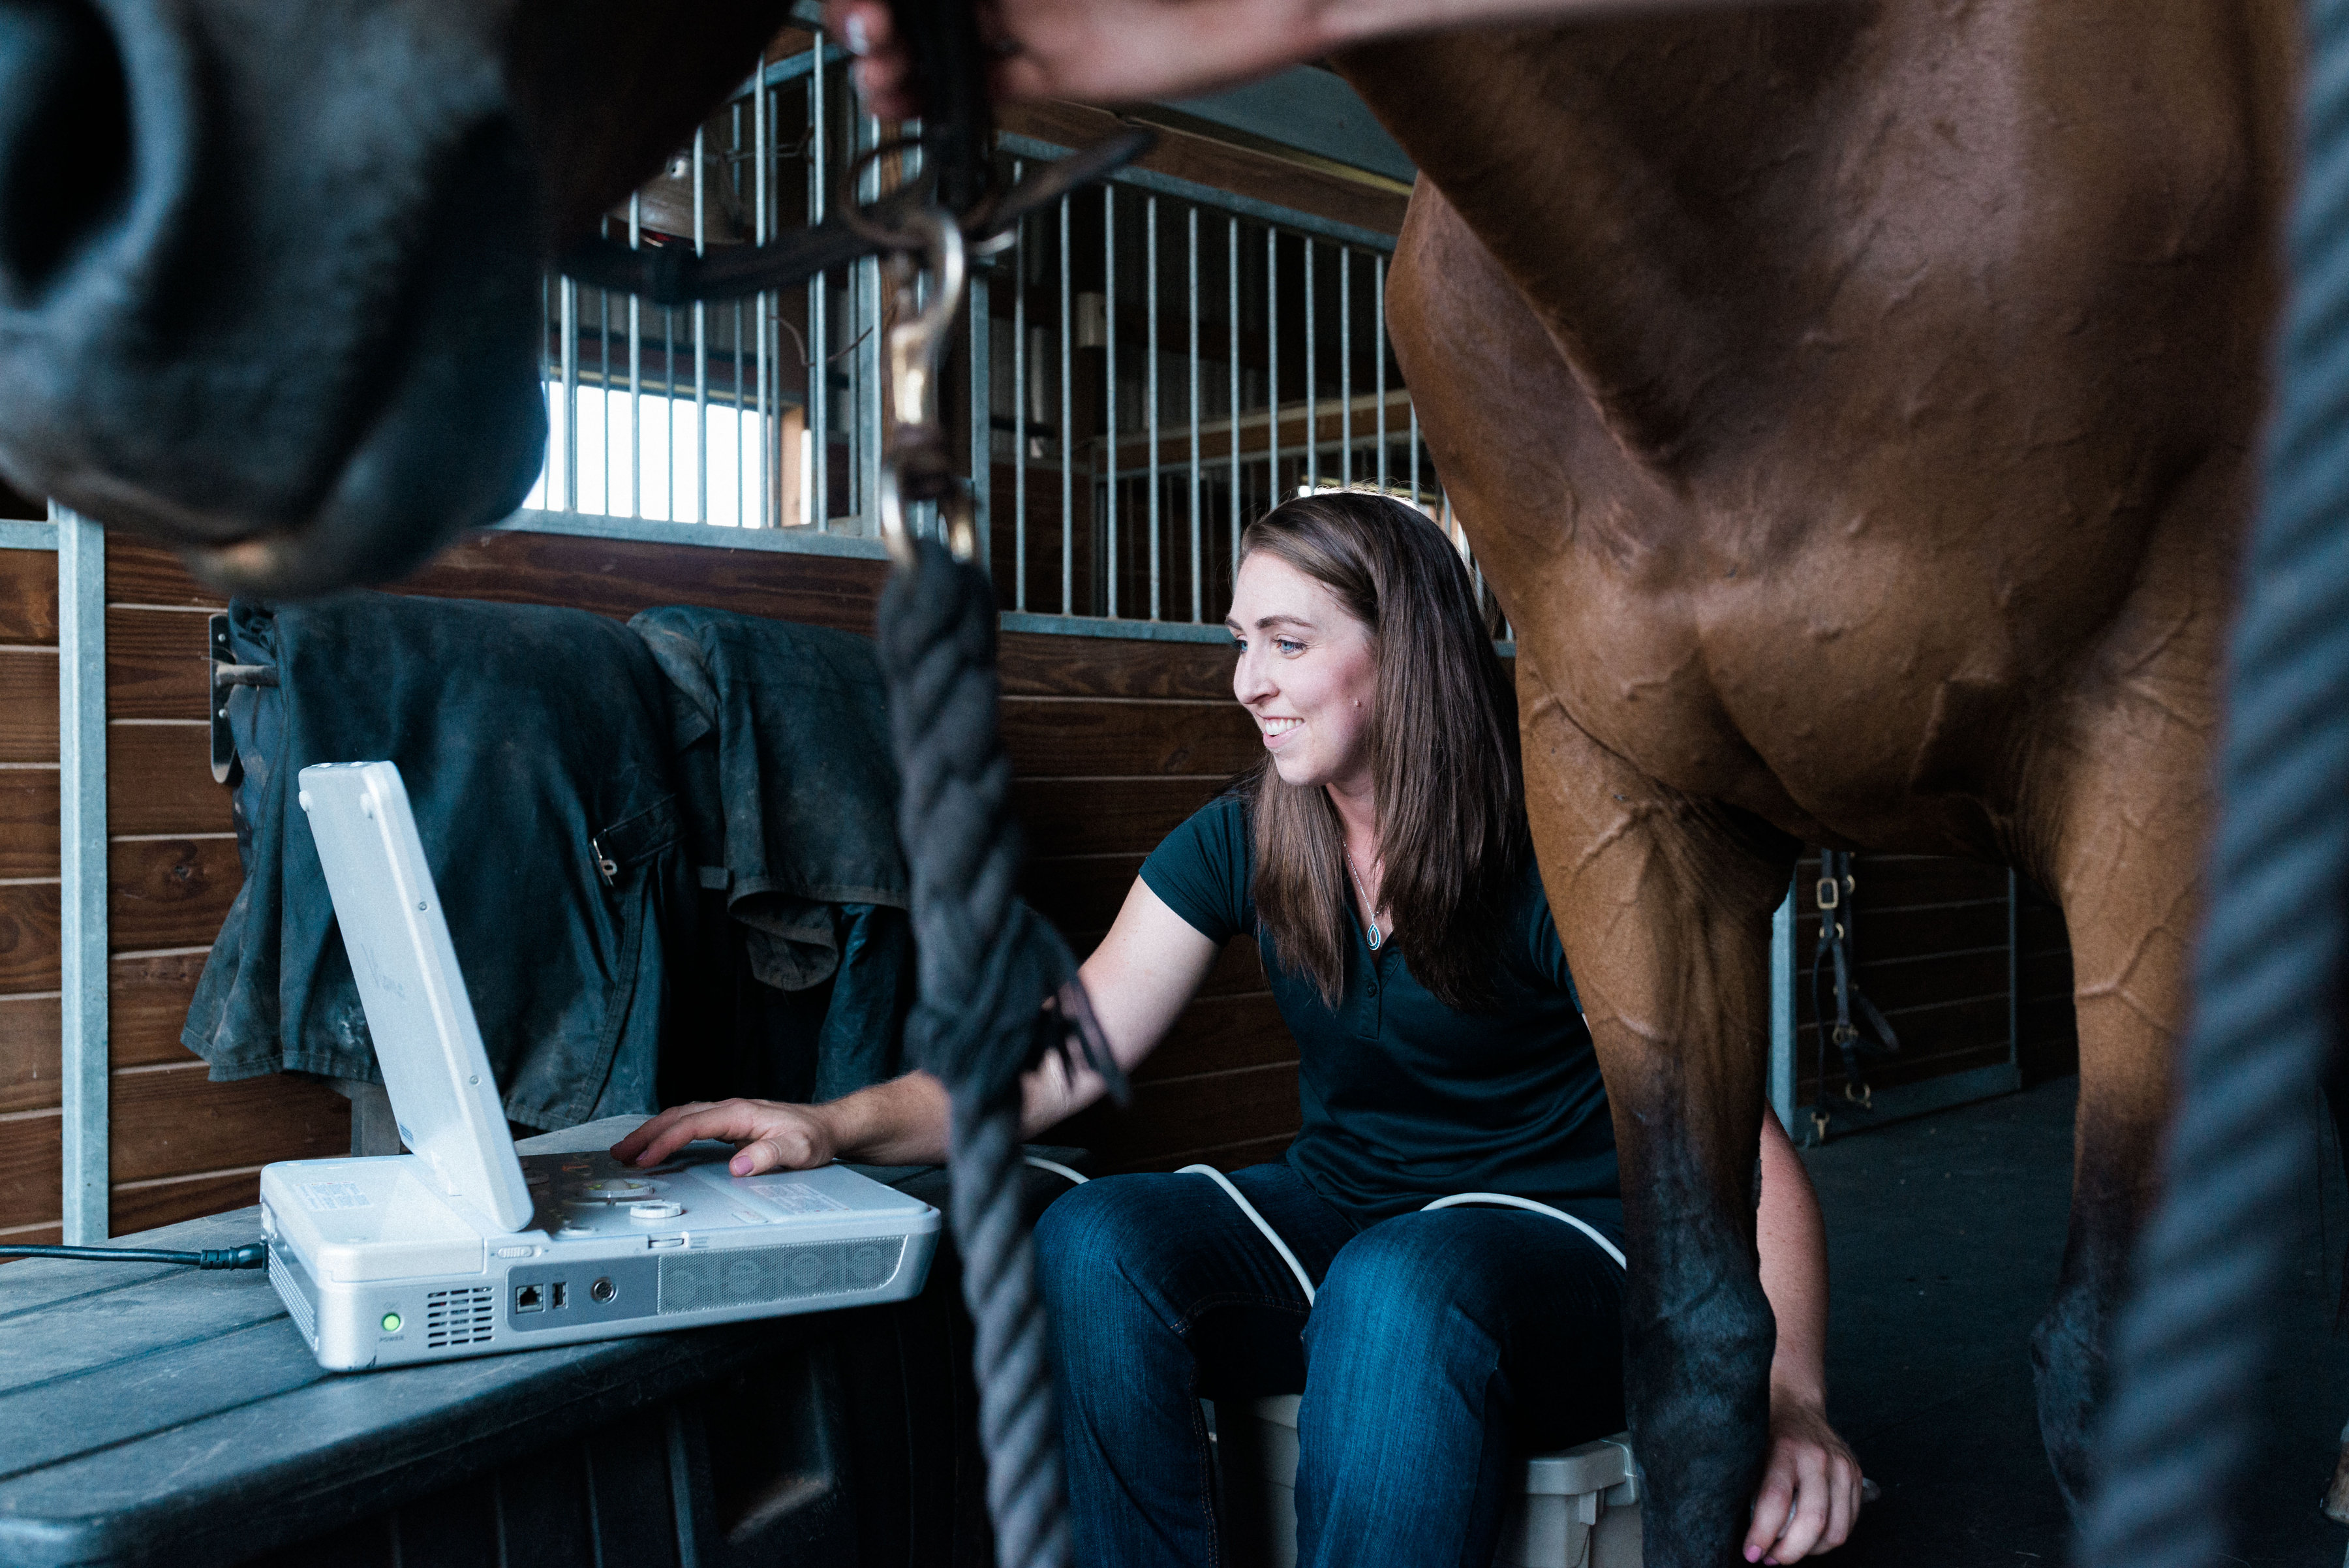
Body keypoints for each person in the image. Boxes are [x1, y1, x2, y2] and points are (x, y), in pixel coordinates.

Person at [616, 493, 1862, 1565]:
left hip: (1577, 1244)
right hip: (1357, 1211)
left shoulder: (1551, 857)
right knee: (1095, 1234)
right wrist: (834, 1122)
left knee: (1402, 1285)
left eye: (1286, 641)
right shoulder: (1253, 833)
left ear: (1405, 649)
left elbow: (1739, 1150)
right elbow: (1062, 1055)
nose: (1246, 682)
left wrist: (1790, 1398)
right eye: (1240, 642)